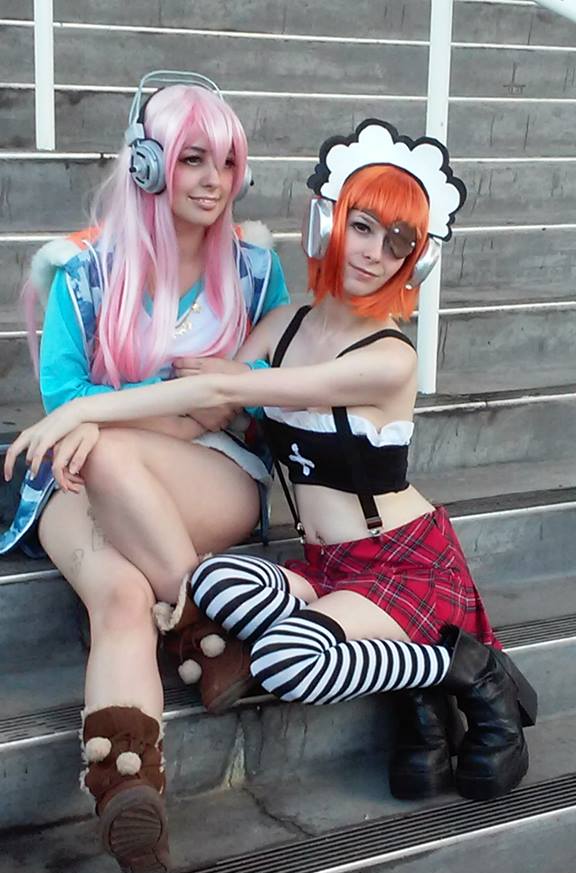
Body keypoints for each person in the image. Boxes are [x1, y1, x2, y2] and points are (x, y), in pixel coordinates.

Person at [5, 120, 537, 822]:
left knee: (285, 660)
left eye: (398, 243)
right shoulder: (282, 326)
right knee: (213, 582)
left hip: (403, 561)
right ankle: (413, 679)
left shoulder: (390, 358)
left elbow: (221, 388)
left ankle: (466, 666)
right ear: (328, 223)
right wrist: (100, 437)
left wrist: (79, 412)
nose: (374, 253)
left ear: (417, 261)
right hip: (327, 564)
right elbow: (196, 415)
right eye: (363, 227)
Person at [0, 71, 290, 873]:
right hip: (82, 475)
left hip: (211, 471)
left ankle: (198, 622)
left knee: (101, 445)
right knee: (120, 594)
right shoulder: (85, 270)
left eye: (226, 162)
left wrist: (179, 420)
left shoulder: (256, 269)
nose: (213, 180)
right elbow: (64, 397)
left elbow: (264, 394)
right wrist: (185, 409)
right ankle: (131, 785)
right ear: (149, 165)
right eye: (193, 159)